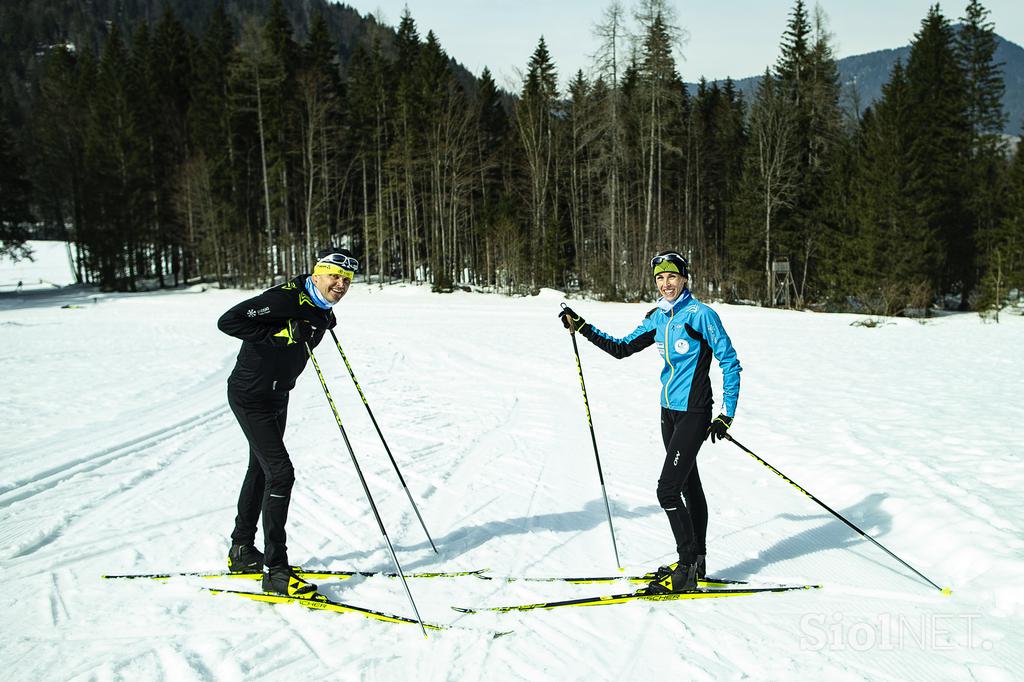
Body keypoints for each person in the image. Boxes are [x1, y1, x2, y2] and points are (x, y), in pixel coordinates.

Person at [558, 251, 741, 593]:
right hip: (668, 412)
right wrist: (582, 327)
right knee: (687, 485)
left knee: (667, 489)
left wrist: (726, 414)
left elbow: (730, 362)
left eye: (672, 277)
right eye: (659, 278)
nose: (666, 284)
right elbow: (621, 348)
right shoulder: (658, 317)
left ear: (684, 278)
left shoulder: (702, 316)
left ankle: (686, 568)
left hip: (695, 411)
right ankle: (698, 559)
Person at [217, 247, 358, 598]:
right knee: (281, 473)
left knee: (262, 470)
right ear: (316, 275)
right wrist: (280, 334)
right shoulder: (283, 300)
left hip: (278, 395)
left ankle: (242, 551)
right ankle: (276, 571)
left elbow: (309, 323)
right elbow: (229, 321)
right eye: (333, 276)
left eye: (346, 280)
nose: (339, 284)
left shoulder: (321, 306)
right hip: (251, 396)